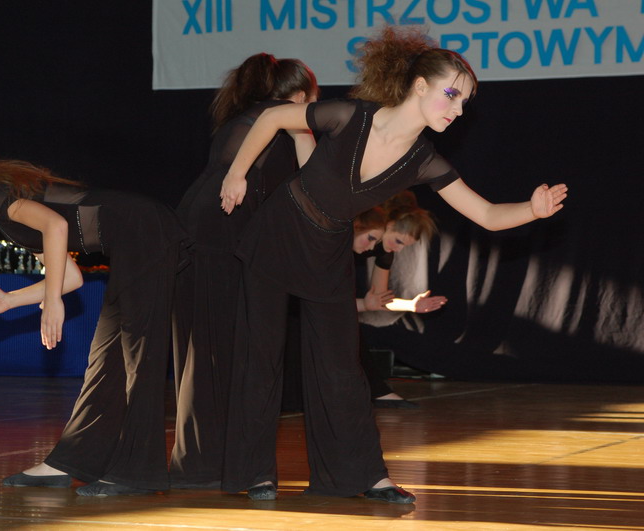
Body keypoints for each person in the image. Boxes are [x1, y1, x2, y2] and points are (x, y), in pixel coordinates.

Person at [217, 25, 567, 503]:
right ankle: (253, 472)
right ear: (419, 86)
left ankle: (363, 475)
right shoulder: (351, 116)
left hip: (328, 248)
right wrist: (237, 174)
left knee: (341, 366)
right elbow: (276, 116)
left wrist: (531, 210)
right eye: (451, 95)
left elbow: (486, 214)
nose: (457, 109)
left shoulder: (424, 160)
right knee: (261, 354)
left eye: (465, 102)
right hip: (279, 230)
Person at [0, 140, 187, 497]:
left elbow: (55, 225)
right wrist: (9, 302)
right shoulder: (4, 219)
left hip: (146, 232)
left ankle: (139, 473)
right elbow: (70, 277)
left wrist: (52, 301)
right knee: (105, 361)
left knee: (137, 357)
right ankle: (69, 462)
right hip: (137, 240)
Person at [170, 53, 319, 488]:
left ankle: (210, 465)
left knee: (211, 355)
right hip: (217, 247)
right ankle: (213, 467)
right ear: (297, 97)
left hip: (210, 243)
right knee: (221, 355)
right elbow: (313, 184)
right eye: (312, 100)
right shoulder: (271, 122)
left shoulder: (253, 121)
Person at [353, 192, 444, 409]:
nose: (399, 249)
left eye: (405, 246)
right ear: (389, 224)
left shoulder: (385, 253)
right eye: (399, 241)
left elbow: (380, 300)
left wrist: (411, 305)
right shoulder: (356, 233)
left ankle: (377, 391)